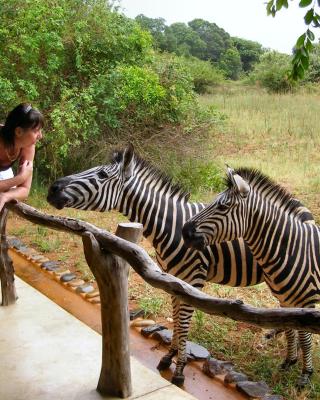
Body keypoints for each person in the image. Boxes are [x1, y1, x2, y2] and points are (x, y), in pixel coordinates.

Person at [0, 103, 44, 211]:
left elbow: (25, 189)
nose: (40, 136)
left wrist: (6, 196)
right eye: (35, 131)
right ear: (18, 131)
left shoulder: (28, 145)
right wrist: (19, 178)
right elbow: (22, 179)